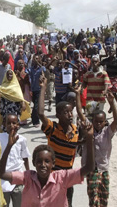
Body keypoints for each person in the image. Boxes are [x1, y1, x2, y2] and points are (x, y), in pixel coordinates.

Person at [0, 118, 94, 207]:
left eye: (47, 161)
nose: (43, 165)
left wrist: (89, 138)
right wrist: (9, 147)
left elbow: (89, 167)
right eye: (39, 161)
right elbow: (0, 174)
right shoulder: (28, 178)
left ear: (53, 164)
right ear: (34, 163)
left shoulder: (62, 178)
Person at [38, 76, 80, 207]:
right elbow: (40, 114)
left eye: (71, 112)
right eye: (65, 112)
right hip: (52, 178)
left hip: (67, 179)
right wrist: (43, 88)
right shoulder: (53, 129)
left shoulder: (76, 131)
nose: (70, 115)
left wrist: (78, 95)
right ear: (58, 116)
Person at [86, 93, 117, 207]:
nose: (98, 124)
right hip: (92, 170)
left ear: (105, 122)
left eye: (101, 121)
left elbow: (116, 121)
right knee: (93, 198)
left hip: (104, 169)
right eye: (96, 121)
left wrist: (112, 103)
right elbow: (82, 117)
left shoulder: (107, 132)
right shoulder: (89, 132)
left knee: (104, 197)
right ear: (93, 121)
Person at [0, 113, 30, 207]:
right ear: (4, 124)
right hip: (3, 177)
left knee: (19, 203)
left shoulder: (22, 139)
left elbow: (25, 156)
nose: (11, 125)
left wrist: (28, 173)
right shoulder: (0, 137)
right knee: (4, 203)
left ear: (18, 124)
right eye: (9, 123)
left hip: (18, 176)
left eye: (14, 123)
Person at [29, 54, 46, 128]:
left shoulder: (41, 68)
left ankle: (35, 120)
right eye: (34, 59)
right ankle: (33, 116)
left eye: (37, 58)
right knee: (35, 104)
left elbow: (45, 70)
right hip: (33, 89)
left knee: (36, 106)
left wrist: (39, 63)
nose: (35, 60)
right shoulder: (31, 69)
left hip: (39, 89)